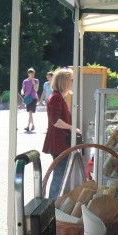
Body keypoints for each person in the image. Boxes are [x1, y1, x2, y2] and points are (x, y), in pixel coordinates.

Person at [42, 68, 79, 198]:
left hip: (60, 143)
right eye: (72, 80)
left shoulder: (58, 97)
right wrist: (72, 128)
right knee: (59, 175)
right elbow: (56, 121)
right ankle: (52, 205)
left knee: (61, 174)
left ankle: (55, 204)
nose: (73, 82)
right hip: (58, 143)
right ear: (65, 82)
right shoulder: (56, 98)